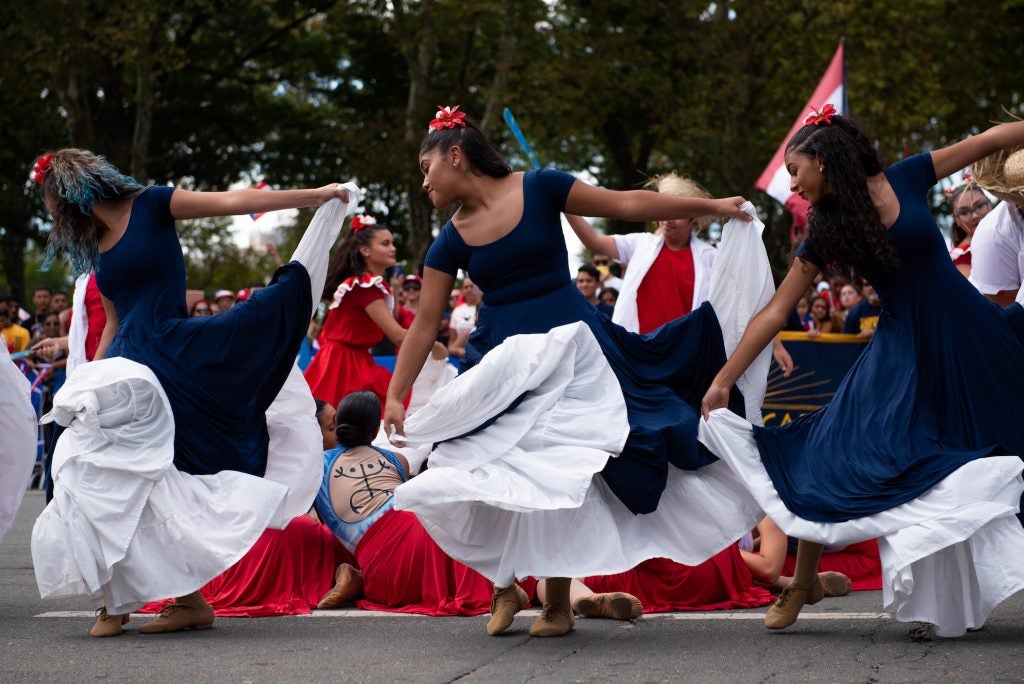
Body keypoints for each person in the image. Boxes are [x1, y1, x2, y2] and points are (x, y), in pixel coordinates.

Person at [383, 106, 770, 638]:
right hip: (502, 365)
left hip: (576, 353)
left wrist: (713, 205)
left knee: (566, 471)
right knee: (475, 463)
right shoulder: (449, 240)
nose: (423, 180)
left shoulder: (541, 187)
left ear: (456, 155)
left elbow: (627, 203)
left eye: (427, 166)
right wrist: (396, 394)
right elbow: (425, 325)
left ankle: (558, 604)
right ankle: (504, 587)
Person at [699, 109, 1024, 638]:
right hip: (903, 351)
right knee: (831, 446)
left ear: (823, 162)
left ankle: (949, 592)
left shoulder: (908, 174)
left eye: (795, 169)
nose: (792, 182)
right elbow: (778, 311)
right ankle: (803, 582)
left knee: (1004, 439)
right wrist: (724, 378)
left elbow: (991, 137)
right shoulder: (826, 227)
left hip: (969, 334)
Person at [28, 148, 358, 637]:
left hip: (175, 360)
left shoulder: (153, 204)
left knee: (169, 476)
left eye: (50, 200)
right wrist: (86, 384)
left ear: (70, 188)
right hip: (128, 372)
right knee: (96, 472)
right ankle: (123, 600)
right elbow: (115, 321)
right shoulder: (97, 245)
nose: (51, 212)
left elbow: (232, 200)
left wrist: (318, 195)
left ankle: (179, 600)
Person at [302, 215, 447, 409]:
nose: (393, 248)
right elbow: (396, 335)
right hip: (342, 365)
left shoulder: (366, 284)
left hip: (348, 360)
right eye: (386, 244)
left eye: (392, 243)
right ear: (365, 250)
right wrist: (432, 344)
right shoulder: (365, 286)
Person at [568, 172, 717, 334]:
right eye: (665, 211)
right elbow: (594, 241)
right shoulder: (640, 243)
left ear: (693, 222)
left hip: (685, 349)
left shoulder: (711, 257)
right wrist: (567, 204)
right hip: (637, 347)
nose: (668, 219)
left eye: (677, 214)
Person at [945, 179, 992, 277]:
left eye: (979, 206)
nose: (975, 216)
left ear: (989, 203)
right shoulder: (960, 258)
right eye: (964, 212)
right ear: (956, 219)